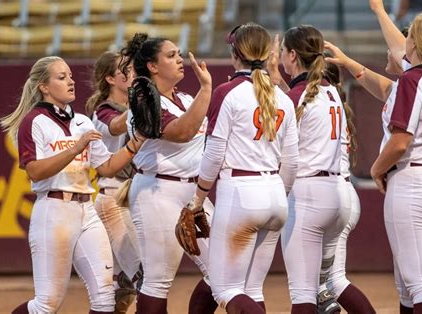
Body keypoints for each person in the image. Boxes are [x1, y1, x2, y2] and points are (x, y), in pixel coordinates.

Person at [326, 12, 422, 313]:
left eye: (408, 37)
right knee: (411, 287)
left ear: (416, 45)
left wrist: (376, 169)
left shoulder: (413, 80)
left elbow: (400, 142)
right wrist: (350, 62)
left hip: (414, 184)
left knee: (420, 285)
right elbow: (386, 89)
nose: (402, 41)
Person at [0, 56, 146, 313]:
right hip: (54, 211)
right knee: (46, 304)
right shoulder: (33, 122)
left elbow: (107, 166)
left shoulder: (82, 121)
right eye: (61, 77)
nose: (71, 81)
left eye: (70, 76)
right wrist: (76, 147)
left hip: (86, 210)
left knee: (106, 298)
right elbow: (35, 171)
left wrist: (137, 141)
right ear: (44, 86)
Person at [183, 22, 299, 313]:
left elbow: (214, 154)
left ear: (235, 53)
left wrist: (197, 200)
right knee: (251, 289)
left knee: (225, 289)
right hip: (275, 193)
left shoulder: (227, 92)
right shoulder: (282, 96)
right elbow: (292, 161)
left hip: (242, 193)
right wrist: (278, 193)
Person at [119, 33, 215, 314]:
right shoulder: (143, 102)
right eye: (171, 55)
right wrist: (206, 88)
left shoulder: (186, 98)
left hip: (192, 193)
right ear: (152, 66)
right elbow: (182, 133)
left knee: (224, 270)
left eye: (179, 53)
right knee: (158, 280)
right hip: (157, 191)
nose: (180, 60)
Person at [268, 25, 351, 313]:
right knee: (325, 291)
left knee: (303, 294)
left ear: (292, 55)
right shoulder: (330, 90)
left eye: (282, 52)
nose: (279, 57)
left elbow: (274, 144)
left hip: (307, 195)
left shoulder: (297, 96)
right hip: (337, 196)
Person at [85, 51, 142, 313]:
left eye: (133, 68)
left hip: (129, 198)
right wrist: (141, 108)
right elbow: (116, 126)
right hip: (112, 199)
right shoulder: (103, 111)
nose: (132, 73)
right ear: (110, 78)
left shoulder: (137, 104)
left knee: (120, 291)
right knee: (144, 275)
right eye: (125, 70)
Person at [323, 61, 377, 314]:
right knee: (320, 283)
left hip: (330, 195)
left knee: (330, 282)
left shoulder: (316, 102)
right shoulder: (336, 104)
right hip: (342, 193)